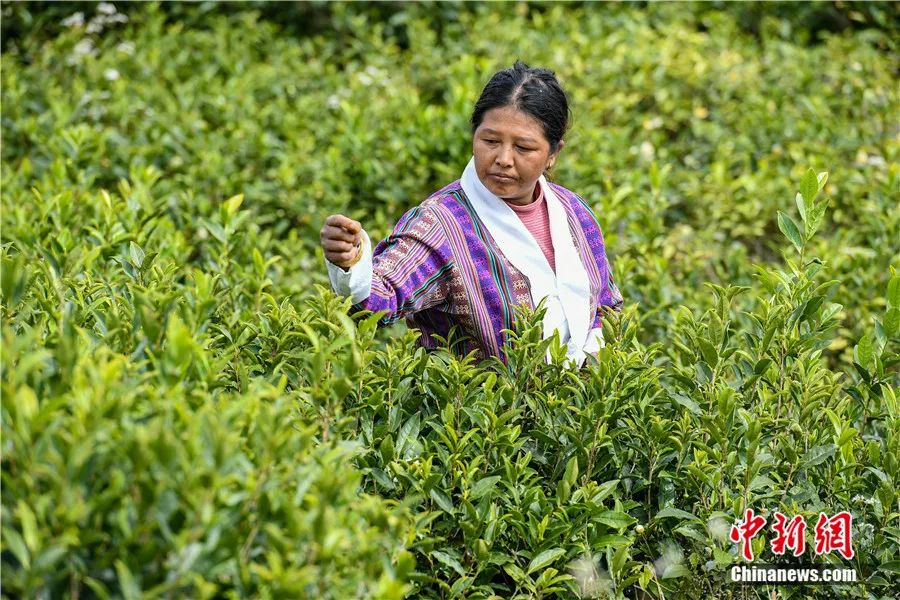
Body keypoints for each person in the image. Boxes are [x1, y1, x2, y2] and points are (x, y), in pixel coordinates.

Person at [320, 60, 623, 367]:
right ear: (474, 136)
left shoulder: (574, 213)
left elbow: (605, 307)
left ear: (553, 154)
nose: (503, 159)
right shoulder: (440, 224)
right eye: (490, 141)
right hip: (479, 410)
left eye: (523, 148)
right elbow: (379, 301)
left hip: (578, 410)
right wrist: (350, 263)